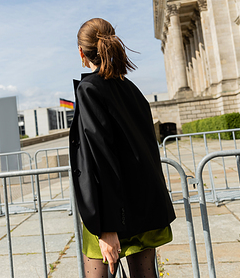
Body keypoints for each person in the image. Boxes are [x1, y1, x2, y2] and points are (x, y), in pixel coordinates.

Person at [69, 18, 176, 277]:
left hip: (110, 211)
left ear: (82, 54)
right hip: (144, 205)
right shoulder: (132, 90)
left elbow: (100, 158)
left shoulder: (90, 88)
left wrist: (106, 226)